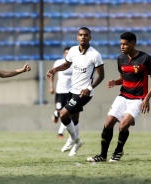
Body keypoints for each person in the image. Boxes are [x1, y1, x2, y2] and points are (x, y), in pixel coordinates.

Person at [87, 32, 151, 162]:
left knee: (123, 126)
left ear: (133, 44)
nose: (122, 46)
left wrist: (147, 98)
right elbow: (123, 78)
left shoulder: (145, 58)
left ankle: (118, 150)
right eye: (121, 44)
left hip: (138, 99)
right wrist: (115, 82)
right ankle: (102, 155)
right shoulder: (121, 59)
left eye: (125, 44)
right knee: (108, 123)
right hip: (123, 96)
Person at [46, 27, 105, 156]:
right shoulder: (72, 51)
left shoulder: (95, 54)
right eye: (80, 35)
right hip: (72, 90)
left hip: (85, 93)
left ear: (90, 37)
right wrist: (55, 70)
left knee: (63, 114)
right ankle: (76, 144)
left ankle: (74, 139)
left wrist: (89, 88)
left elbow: (101, 76)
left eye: (86, 35)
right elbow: (67, 65)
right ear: (77, 37)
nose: (83, 37)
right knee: (74, 118)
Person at [48, 46, 72, 139]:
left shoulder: (75, 63)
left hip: (70, 92)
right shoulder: (59, 62)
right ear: (63, 54)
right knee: (59, 111)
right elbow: (52, 73)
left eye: (69, 53)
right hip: (60, 91)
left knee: (66, 113)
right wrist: (51, 86)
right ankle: (55, 114)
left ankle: (60, 132)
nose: (67, 55)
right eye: (66, 53)